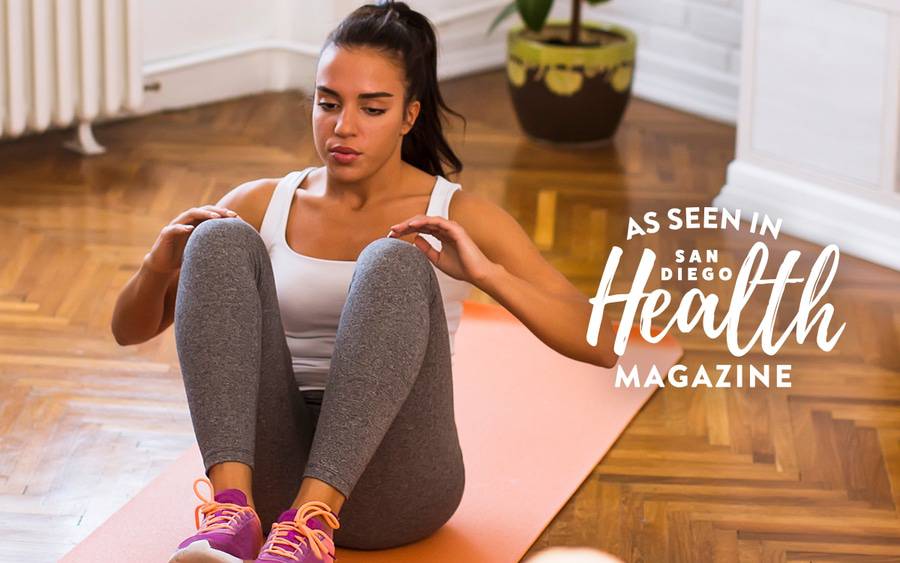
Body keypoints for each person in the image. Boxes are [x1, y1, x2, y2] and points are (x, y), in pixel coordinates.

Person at [111, 2, 618, 562]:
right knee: (215, 237)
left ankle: (311, 526)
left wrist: (485, 274)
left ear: (409, 116)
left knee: (393, 262)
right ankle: (231, 515)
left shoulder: (457, 216)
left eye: (372, 108)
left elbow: (603, 344)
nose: (343, 127)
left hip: (393, 489)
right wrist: (158, 264)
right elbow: (128, 331)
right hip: (274, 481)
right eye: (328, 104)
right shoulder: (262, 203)